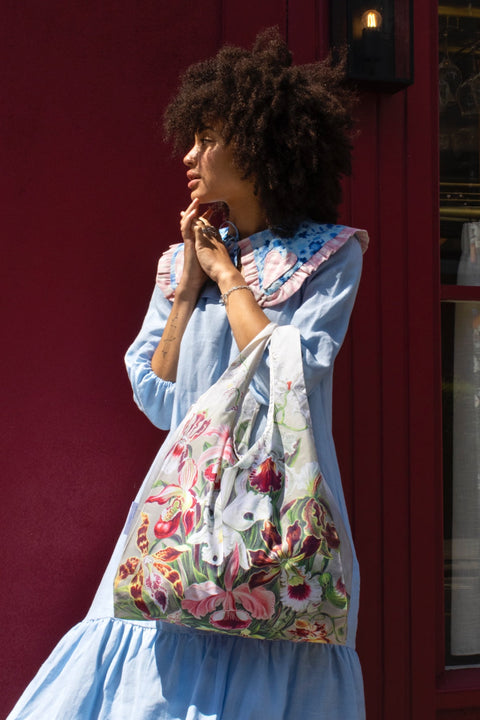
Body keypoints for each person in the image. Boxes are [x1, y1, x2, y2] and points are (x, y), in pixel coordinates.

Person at [8, 28, 368, 720]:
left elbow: (294, 373)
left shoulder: (330, 255)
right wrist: (186, 290)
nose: (189, 156)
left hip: (279, 510)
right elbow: (156, 394)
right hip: (179, 507)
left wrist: (227, 277)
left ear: (257, 147)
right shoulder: (181, 261)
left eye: (207, 139)